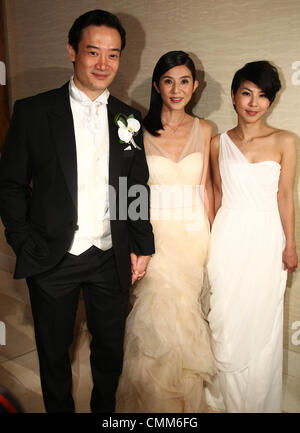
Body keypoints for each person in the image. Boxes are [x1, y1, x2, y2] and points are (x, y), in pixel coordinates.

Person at [0, 9, 154, 413]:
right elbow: (11, 184)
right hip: (53, 257)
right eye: (93, 52)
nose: (104, 64)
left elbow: (131, 187)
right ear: (72, 51)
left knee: (109, 353)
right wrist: (23, 241)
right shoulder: (33, 112)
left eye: (114, 55)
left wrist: (142, 244)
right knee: (53, 353)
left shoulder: (129, 118)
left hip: (109, 256)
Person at [115, 51, 216, 413]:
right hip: (153, 235)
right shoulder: (135, 130)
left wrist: (214, 237)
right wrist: (130, 241)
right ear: (157, 85)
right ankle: (153, 403)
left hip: (193, 234)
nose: (177, 89)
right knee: (155, 314)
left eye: (185, 81)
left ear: (195, 86)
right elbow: (128, 190)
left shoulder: (205, 130)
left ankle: (185, 401)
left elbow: (206, 188)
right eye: (169, 80)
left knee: (188, 312)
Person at [205, 61, 298, 413]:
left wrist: (290, 244)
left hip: (266, 238)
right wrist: (211, 240)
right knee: (226, 316)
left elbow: (285, 196)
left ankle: (258, 403)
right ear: (233, 95)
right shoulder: (216, 143)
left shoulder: (285, 140)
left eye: (262, 96)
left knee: (264, 318)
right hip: (228, 236)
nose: (253, 102)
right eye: (247, 93)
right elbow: (214, 194)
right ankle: (227, 400)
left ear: (271, 102)